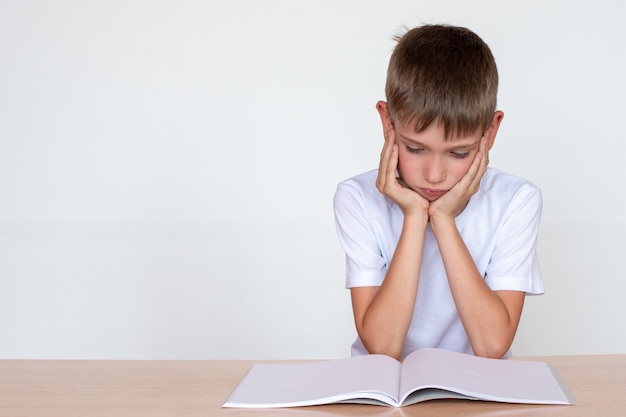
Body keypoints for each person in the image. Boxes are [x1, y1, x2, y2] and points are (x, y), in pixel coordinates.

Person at [333, 24, 544, 361]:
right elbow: (383, 347)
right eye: (415, 149)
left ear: (490, 132)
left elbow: (491, 346)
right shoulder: (357, 198)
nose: (434, 175)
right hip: (384, 394)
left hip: (477, 395)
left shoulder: (516, 200)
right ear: (388, 124)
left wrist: (443, 219)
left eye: (458, 154)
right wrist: (415, 216)